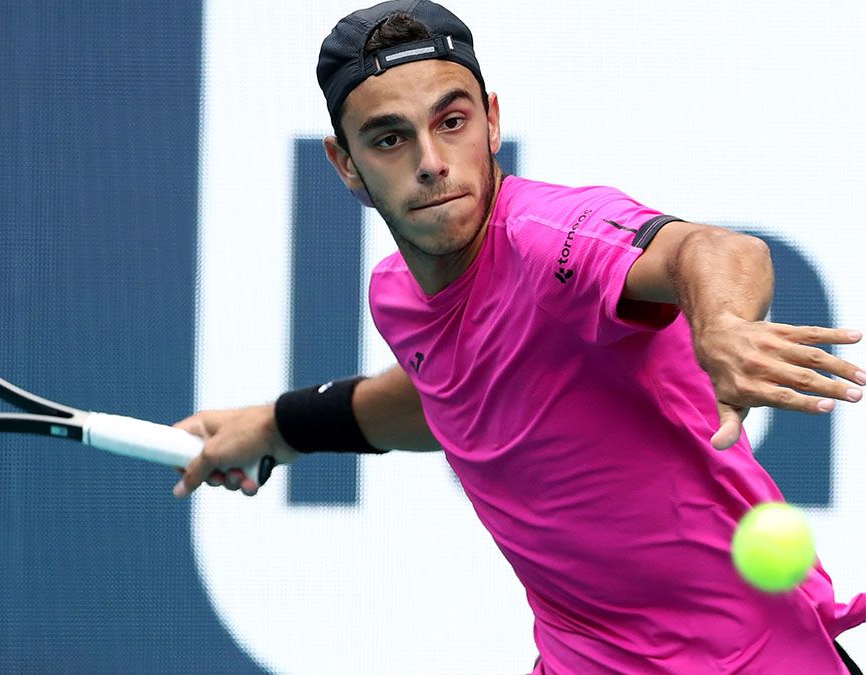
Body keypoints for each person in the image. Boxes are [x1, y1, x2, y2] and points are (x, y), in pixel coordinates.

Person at [173, 1, 865, 671]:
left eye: (451, 122)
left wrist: (722, 328)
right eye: (390, 138)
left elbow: (716, 252)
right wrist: (279, 425)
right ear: (345, 162)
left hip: (750, 656)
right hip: (583, 659)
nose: (431, 161)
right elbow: (444, 399)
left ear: (492, 121)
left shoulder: (549, 240)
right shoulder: (396, 294)